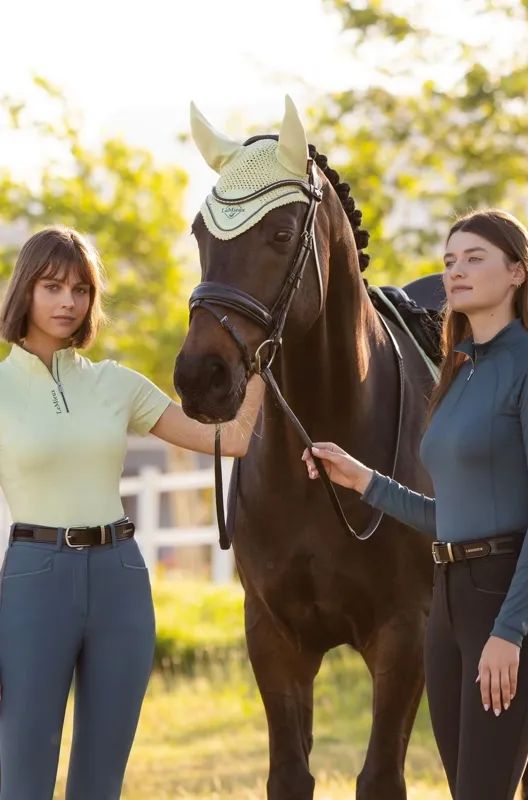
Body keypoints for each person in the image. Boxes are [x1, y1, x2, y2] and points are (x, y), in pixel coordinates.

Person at [302, 209, 528, 800]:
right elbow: (445, 517)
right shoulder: (460, 371)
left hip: (507, 602)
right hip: (448, 601)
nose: (455, 270)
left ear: (517, 273)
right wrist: (363, 480)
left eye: (475, 258)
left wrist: (510, 630)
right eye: (449, 260)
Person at [0, 226, 264, 799]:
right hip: (32, 580)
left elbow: (233, 440)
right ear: (25, 291)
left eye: (81, 289)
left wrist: (263, 358)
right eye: (52, 287)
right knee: (20, 770)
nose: (69, 302)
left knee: (102, 775)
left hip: (120, 577)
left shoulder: (116, 384)